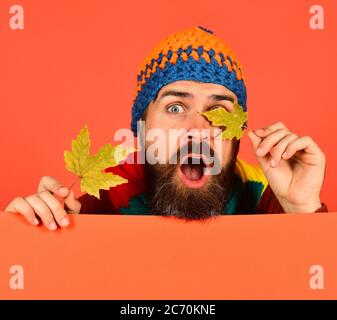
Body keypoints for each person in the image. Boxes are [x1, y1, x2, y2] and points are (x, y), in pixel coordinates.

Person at [4, 26, 328, 230]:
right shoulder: (99, 204)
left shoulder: (269, 201)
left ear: (238, 134)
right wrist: (30, 239)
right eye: (175, 107)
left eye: (218, 111)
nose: (197, 129)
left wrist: (302, 209)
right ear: (142, 128)